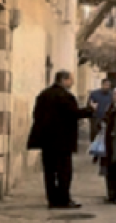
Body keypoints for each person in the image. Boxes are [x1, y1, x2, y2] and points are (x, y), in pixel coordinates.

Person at [27, 71, 95, 209]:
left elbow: (36, 114)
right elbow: (73, 113)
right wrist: (90, 110)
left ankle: (52, 199)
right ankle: (63, 199)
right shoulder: (65, 96)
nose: (72, 82)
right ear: (64, 80)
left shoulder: (43, 95)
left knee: (50, 172)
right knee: (64, 172)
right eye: (71, 80)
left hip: (46, 141)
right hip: (62, 141)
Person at [100, 87, 116, 203]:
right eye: (114, 94)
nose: (115, 96)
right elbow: (105, 120)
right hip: (108, 144)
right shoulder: (110, 107)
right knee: (109, 171)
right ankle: (111, 194)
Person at [88, 79, 114, 144]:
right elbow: (89, 107)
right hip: (96, 120)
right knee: (95, 141)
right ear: (102, 85)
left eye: (109, 85)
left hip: (107, 121)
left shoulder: (112, 95)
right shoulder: (94, 94)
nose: (107, 87)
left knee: (107, 141)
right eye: (106, 85)